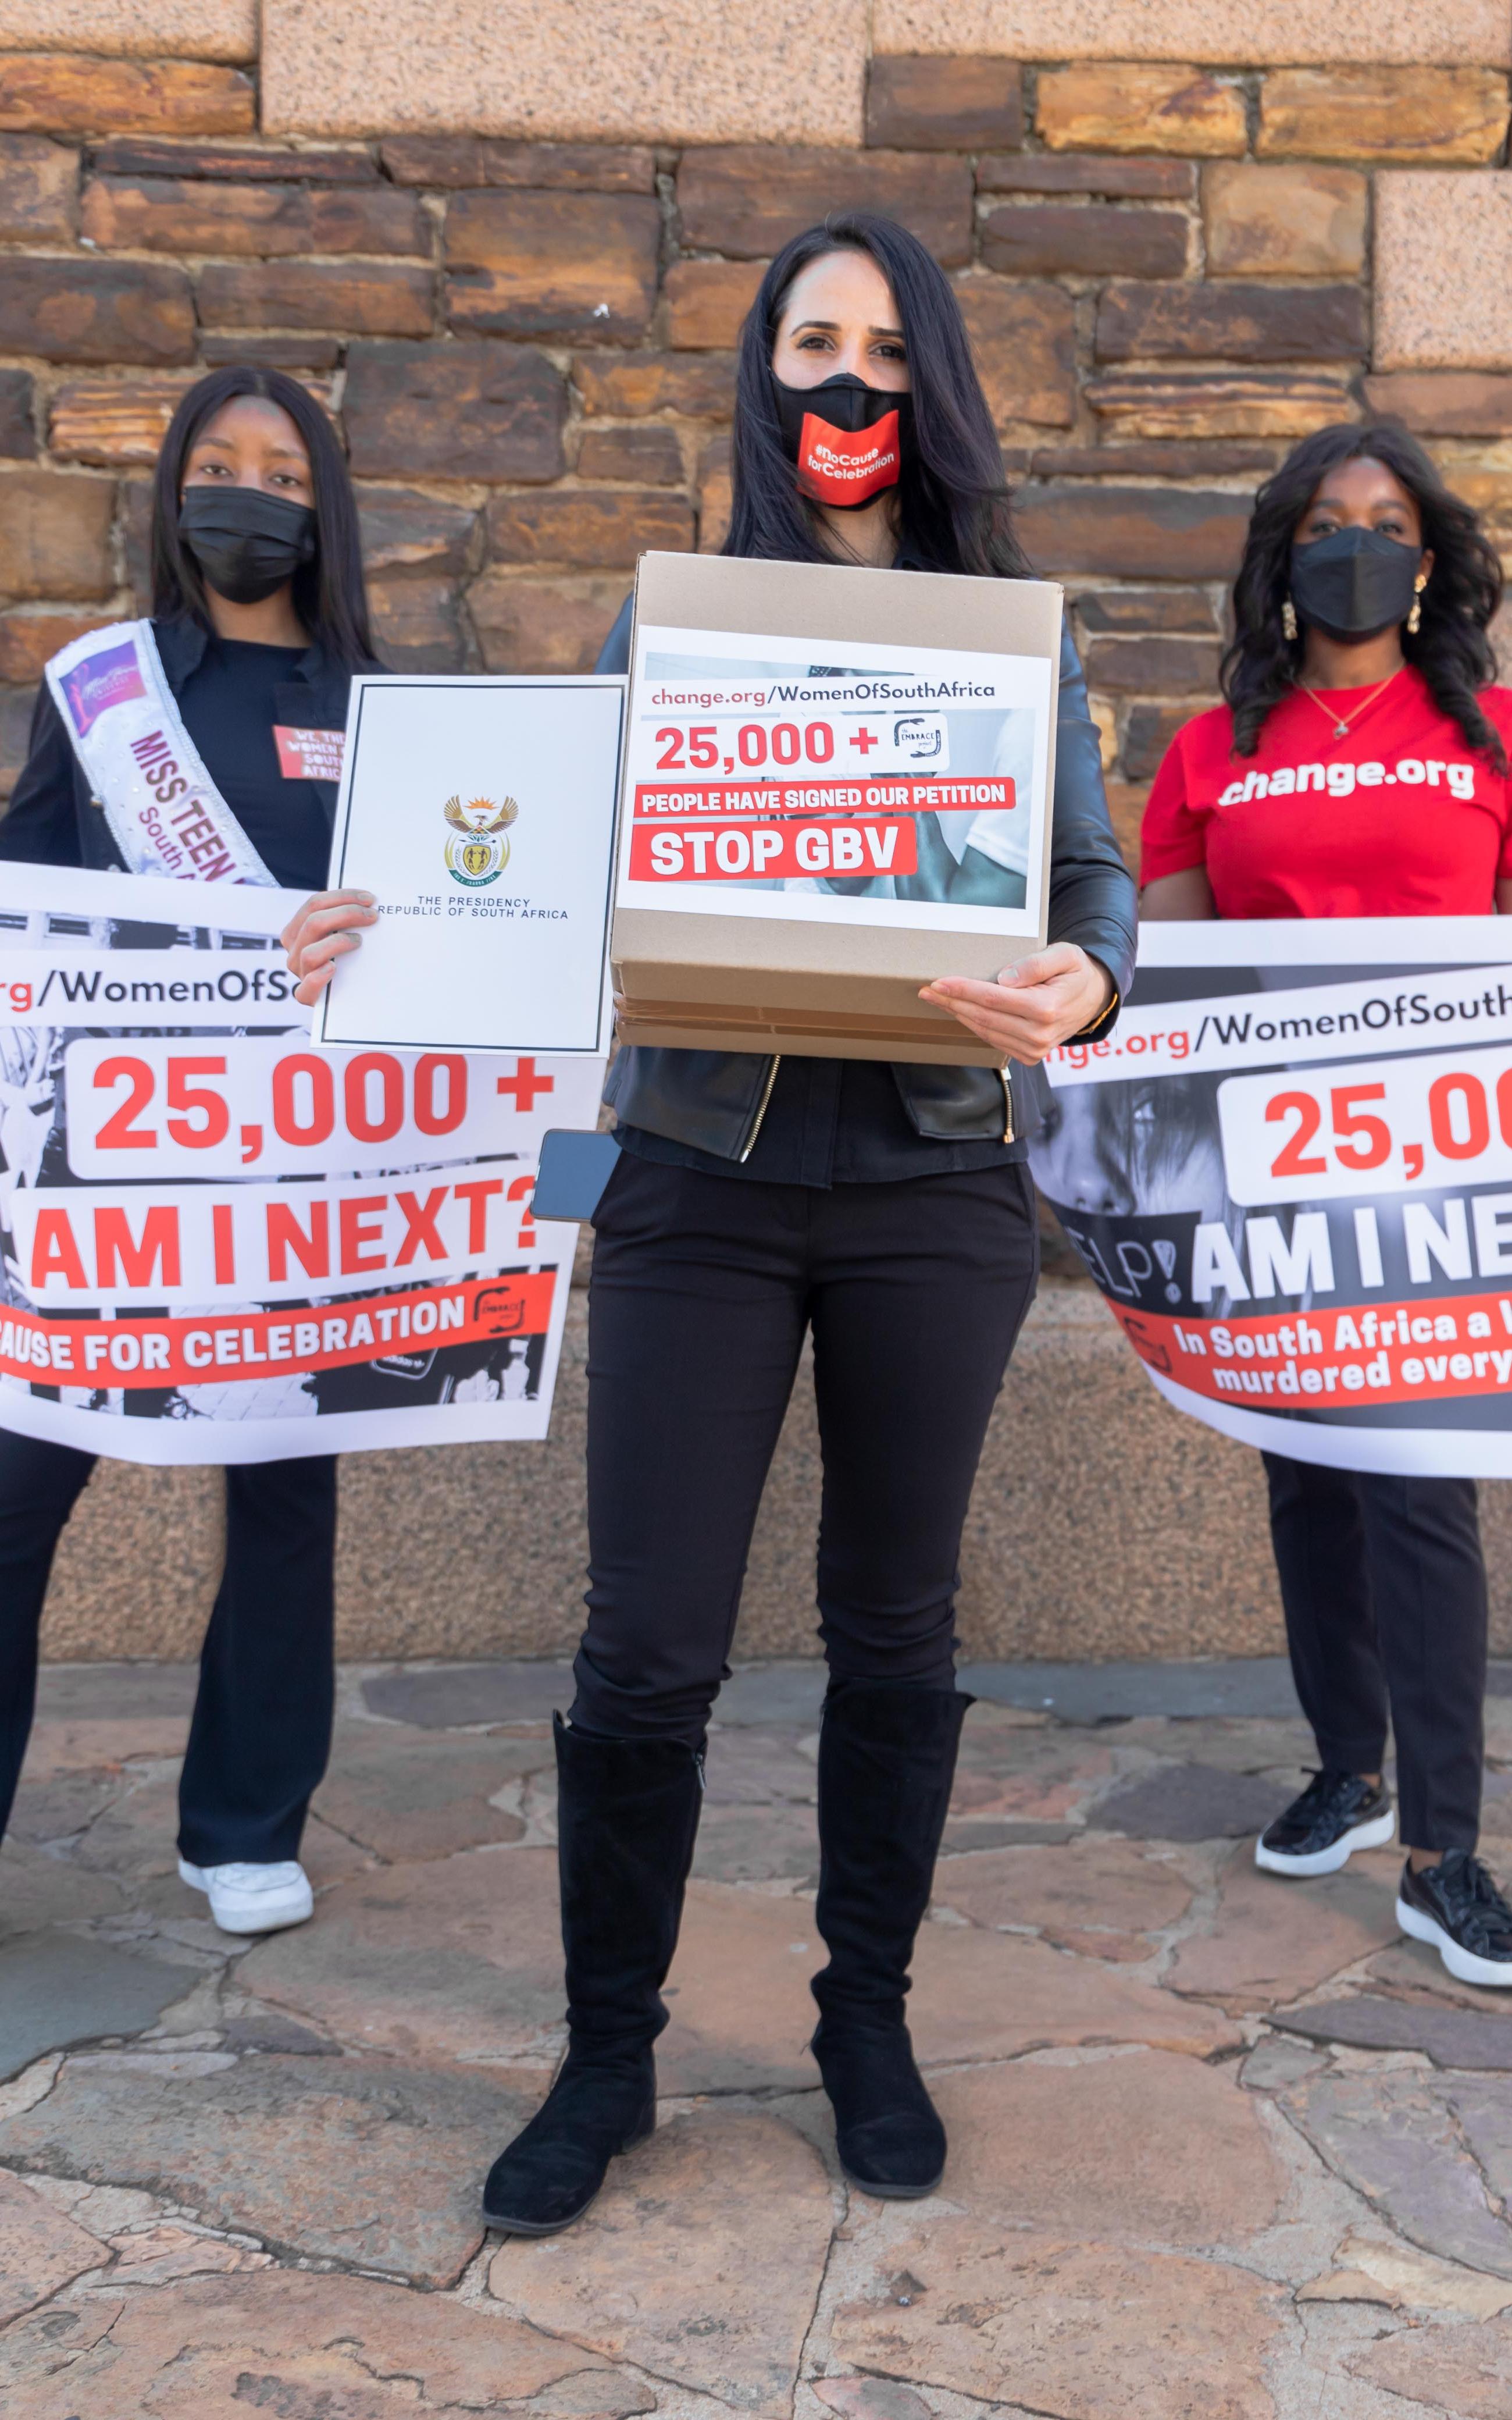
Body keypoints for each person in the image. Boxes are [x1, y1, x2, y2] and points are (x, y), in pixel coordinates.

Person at [286, 212, 1136, 2227]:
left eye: (881, 348)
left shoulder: (1013, 620)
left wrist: (1084, 989)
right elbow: (537, 877)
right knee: (647, 1645)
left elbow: (1092, 889)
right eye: (807, 342)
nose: (844, 382)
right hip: (694, 1179)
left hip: (934, 1179)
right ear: (760, 372)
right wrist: (381, 921)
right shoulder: (672, 625)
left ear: (932, 376)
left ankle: (868, 2022)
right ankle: (607, 2054)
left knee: (898, 1632)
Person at [0, 365, 383, 1937]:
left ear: (323, 504)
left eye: (282, 469)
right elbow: (24, 908)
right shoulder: (99, 692)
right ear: (173, 491)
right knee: (19, 1492)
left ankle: (243, 1825)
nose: (248, 490)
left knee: (285, 1500)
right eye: (218, 463)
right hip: (111, 1173)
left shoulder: (381, 706)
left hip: (299, 1178)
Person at [1141, 420, 1512, 1987]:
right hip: (1268, 1175)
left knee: (1420, 1491)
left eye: (1387, 522)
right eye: (1326, 522)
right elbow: (1161, 951)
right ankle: (1345, 1768)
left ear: (1426, 564)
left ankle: (1445, 1852)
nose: (1357, 543)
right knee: (1304, 1475)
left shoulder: (1491, 729)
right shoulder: (1209, 749)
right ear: (1282, 557)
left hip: (1436, 1169)